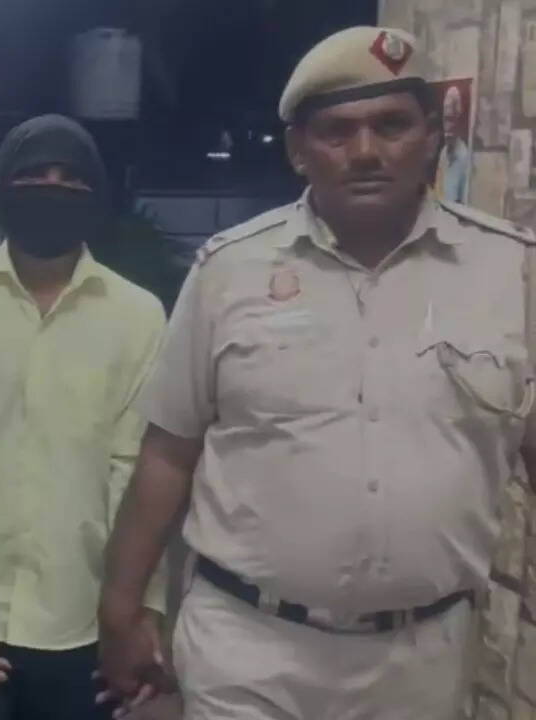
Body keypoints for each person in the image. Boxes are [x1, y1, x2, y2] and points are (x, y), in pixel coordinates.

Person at [97, 26, 536, 720]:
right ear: (298, 150)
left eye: (391, 126)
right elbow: (168, 452)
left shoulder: (513, 274)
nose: (365, 151)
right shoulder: (230, 270)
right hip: (249, 649)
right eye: (337, 132)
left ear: (433, 136)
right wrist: (119, 610)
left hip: (422, 657)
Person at [0, 114, 168, 720]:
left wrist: (139, 613)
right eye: (34, 175)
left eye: (71, 177)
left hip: (84, 623)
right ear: (3, 187)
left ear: (96, 194)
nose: (53, 188)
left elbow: (139, 475)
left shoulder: (138, 316)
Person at [436, 84, 469, 203]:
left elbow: (465, 205)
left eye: (451, 119)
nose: (447, 126)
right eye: (445, 119)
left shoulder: (465, 158)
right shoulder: (443, 153)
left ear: (458, 120)